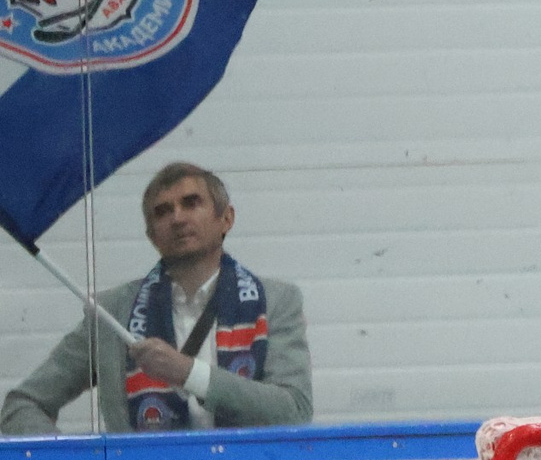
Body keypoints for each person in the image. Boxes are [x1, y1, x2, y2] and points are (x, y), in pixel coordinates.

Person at [1, 162, 312, 435]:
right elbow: (22, 406)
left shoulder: (276, 301)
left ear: (226, 219)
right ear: (151, 235)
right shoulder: (111, 314)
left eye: (191, 203)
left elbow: (295, 411)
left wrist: (190, 374)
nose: (177, 218)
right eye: (162, 211)